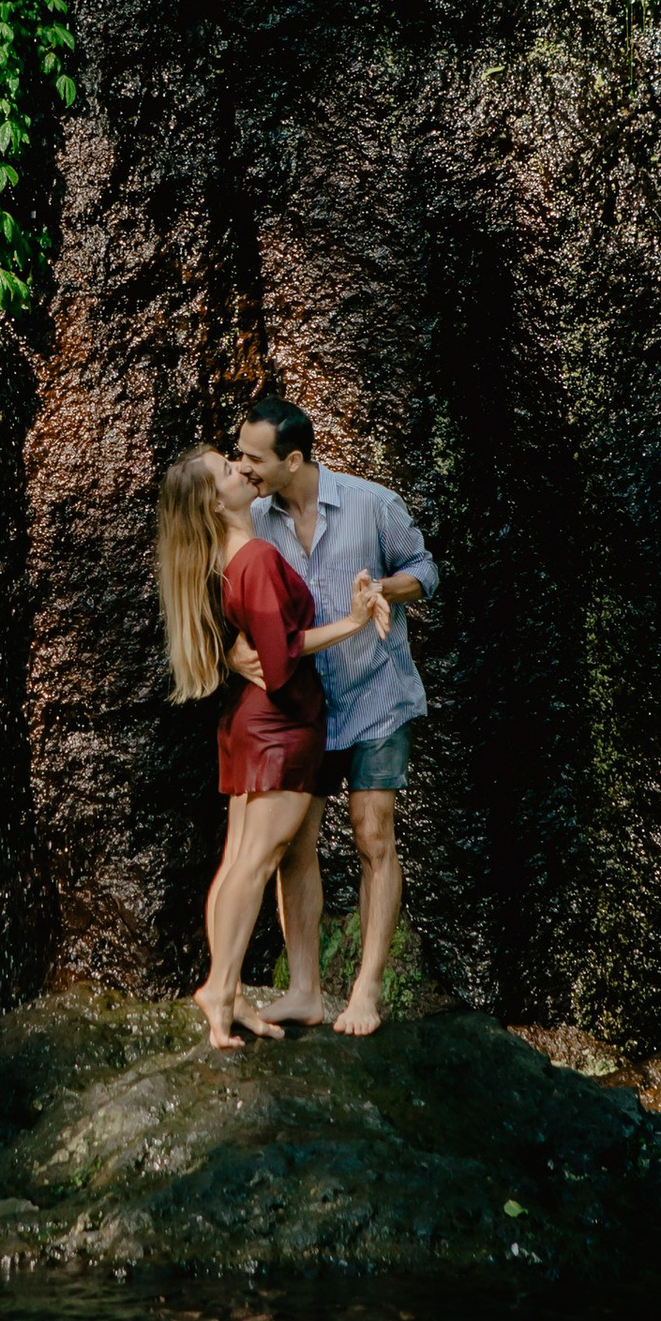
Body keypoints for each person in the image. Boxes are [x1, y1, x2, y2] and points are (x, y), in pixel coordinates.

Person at [154, 445, 382, 1055]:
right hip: (279, 725)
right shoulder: (253, 556)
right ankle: (221, 988)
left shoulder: (231, 556)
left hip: (258, 725)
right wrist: (354, 622)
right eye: (227, 471)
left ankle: (248, 991)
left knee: (256, 858)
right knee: (253, 863)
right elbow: (280, 664)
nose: (240, 470)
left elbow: (259, 642)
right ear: (213, 501)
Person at [231, 395, 438, 1038]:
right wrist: (234, 654)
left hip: (376, 692)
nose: (242, 468)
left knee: (372, 832)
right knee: (293, 843)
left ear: (293, 460)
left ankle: (367, 991)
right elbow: (233, 606)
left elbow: (425, 569)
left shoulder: (371, 503)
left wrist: (381, 589)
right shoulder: (254, 522)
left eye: (253, 458)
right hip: (302, 704)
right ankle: (304, 991)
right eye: (238, 455)